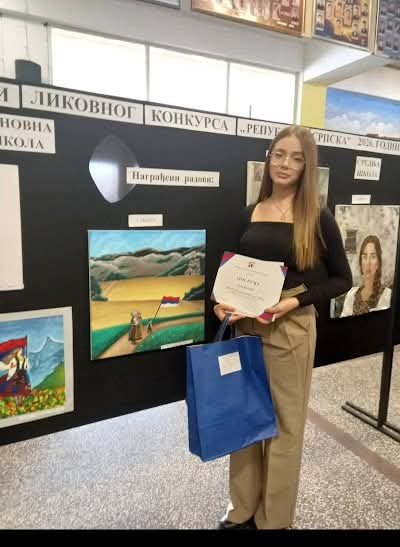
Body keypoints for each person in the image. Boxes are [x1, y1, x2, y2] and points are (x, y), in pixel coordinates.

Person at [213, 125, 352, 530]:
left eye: (295, 157)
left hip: (289, 330)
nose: (285, 164)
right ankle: (242, 509)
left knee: (283, 427)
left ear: (307, 166)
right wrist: (219, 303)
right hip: (246, 328)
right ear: (268, 159)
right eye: (278, 154)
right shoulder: (249, 213)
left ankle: (273, 519)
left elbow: (342, 279)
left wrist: (293, 302)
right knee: (245, 420)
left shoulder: (317, 217)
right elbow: (228, 270)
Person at [340, 235, 391, 317]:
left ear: (378, 263)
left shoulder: (386, 295)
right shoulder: (352, 294)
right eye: (364, 256)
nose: (368, 262)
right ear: (360, 262)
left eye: (373, 257)